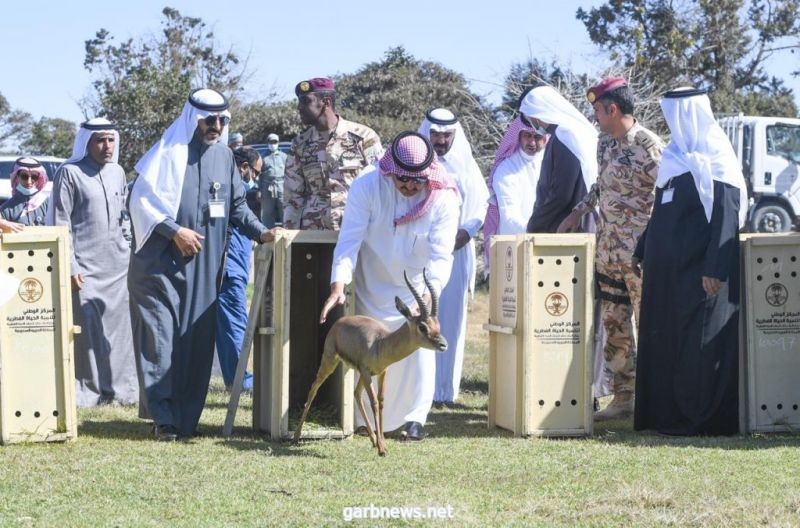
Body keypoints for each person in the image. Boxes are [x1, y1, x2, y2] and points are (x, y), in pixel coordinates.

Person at [128, 88, 276, 441]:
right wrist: (174, 231)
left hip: (205, 267)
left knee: (196, 341)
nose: (217, 125)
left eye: (222, 120)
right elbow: (140, 202)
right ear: (193, 119)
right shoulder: (168, 152)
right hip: (160, 265)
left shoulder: (224, 157)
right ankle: (163, 418)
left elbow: (237, 206)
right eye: (210, 119)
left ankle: (185, 419)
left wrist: (262, 233)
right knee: (160, 340)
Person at [320, 132, 459, 441]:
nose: (410, 187)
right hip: (374, 286)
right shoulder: (367, 186)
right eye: (403, 181)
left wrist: (427, 293)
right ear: (390, 170)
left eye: (416, 183)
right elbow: (349, 242)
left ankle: (414, 419)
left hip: (418, 291)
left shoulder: (445, 197)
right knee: (374, 354)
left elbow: (441, 255)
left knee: (419, 349)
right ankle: (365, 419)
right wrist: (338, 285)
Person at [633, 87, 746, 436]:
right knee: (667, 341)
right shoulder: (675, 156)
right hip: (668, 273)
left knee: (697, 346)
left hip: (701, 272)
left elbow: (727, 214)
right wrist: (642, 247)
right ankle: (664, 417)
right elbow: (661, 212)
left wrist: (716, 266)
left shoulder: (717, 157)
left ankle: (700, 420)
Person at [558, 77, 664, 420]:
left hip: (639, 256)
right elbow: (602, 186)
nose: (595, 118)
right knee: (615, 326)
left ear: (613, 109)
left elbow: (666, 194)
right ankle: (624, 398)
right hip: (608, 254)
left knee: (647, 324)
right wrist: (579, 211)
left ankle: (655, 399)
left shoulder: (648, 145)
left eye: (598, 111)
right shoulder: (604, 144)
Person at [48, 118, 138, 407]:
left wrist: (129, 248)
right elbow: (60, 224)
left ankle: (122, 392)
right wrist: (70, 266)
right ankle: (89, 394)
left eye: (111, 139)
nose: (107, 146)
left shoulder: (118, 172)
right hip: (84, 267)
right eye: (100, 140)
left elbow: (124, 216)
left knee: (119, 332)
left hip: (118, 265)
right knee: (87, 331)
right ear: (86, 142)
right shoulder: (69, 173)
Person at [418, 108, 488, 405]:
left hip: (457, 252)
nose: (441, 141)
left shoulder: (465, 165)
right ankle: (420, 390)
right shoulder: (415, 164)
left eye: (447, 135)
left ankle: (445, 392)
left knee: (452, 320)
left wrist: (466, 232)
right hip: (420, 253)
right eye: (435, 135)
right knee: (420, 318)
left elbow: (481, 204)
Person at [283, 77, 383, 230]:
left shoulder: (364, 137)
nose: (299, 108)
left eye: (306, 101)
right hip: (313, 236)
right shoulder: (299, 145)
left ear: (326, 102)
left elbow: (381, 186)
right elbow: (293, 197)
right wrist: (289, 238)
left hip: (355, 231)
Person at [215, 147, 262, 392]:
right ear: (243, 167)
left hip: (237, 265)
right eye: (255, 172)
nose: (256, 178)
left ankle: (235, 378)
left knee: (229, 324)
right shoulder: (231, 189)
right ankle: (240, 380)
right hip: (229, 266)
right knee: (234, 323)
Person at [521, 85, 598, 234]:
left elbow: (562, 193)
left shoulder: (565, 135)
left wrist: (535, 224)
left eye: (529, 117)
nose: (531, 122)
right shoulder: (566, 133)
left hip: (570, 228)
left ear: (534, 113)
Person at [483, 114, 547, 270]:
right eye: (527, 136)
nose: (531, 142)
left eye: (537, 137)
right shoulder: (506, 169)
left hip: (546, 246)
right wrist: (538, 232)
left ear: (545, 139)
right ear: (519, 136)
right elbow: (509, 215)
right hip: (514, 247)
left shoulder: (551, 162)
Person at [1, 157, 50, 226]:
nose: (29, 182)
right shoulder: (6, 208)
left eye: (34, 177)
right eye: (24, 176)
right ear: (17, 177)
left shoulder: (49, 204)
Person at [259, 132, 287, 228]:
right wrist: (258, 190)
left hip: (282, 187)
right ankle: (267, 232)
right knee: (267, 212)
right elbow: (259, 175)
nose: (273, 144)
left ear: (278, 143)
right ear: (267, 142)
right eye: (271, 142)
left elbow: (289, 173)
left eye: (275, 142)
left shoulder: (284, 156)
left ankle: (286, 231)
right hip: (267, 187)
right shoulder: (263, 157)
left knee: (284, 210)